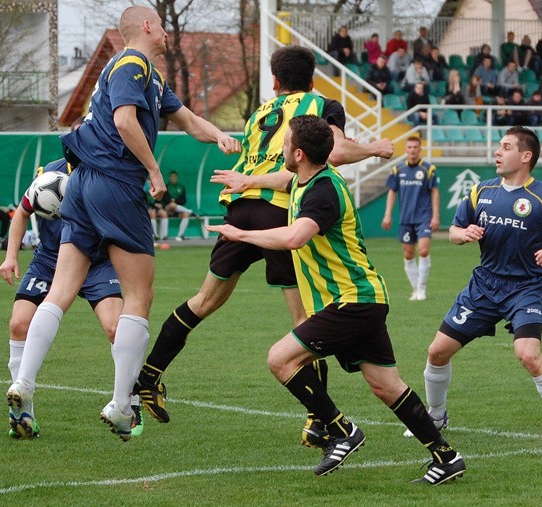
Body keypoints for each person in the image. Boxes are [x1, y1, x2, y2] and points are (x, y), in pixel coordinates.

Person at [133, 46, 394, 444]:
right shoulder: (322, 103)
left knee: (203, 301)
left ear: (274, 81)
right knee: (305, 321)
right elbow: (336, 151)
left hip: (239, 209)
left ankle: (149, 377)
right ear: (312, 79)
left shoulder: (259, 114)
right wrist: (375, 149)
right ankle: (318, 421)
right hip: (279, 211)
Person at [5, 6, 241, 442]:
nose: (167, 32)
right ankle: (120, 404)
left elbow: (187, 119)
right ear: (147, 26)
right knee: (140, 294)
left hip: (83, 184)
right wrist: (152, 170)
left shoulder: (150, 76)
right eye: (161, 23)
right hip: (115, 181)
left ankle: (24, 383)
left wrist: (222, 135)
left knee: (60, 291)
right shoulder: (132, 63)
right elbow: (123, 121)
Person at [207, 115, 466, 483]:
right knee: (386, 385)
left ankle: (341, 430)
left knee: (280, 360)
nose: (279, 148)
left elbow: (296, 237)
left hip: (352, 300)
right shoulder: (306, 177)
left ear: (298, 153)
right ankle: (447, 457)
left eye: (284, 144)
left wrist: (241, 234)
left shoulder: (323, 192)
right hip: (361, 298)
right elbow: (282, 179)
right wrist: (247, 181)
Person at [414, 126, 542, 444]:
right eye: (498, 145)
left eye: (505, 146)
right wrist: (462, 235)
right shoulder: (482, 191)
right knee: (437, 352)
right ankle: (436, 415)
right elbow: (453, 230)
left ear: (526, 156)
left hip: (524, 289)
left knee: (528, 355)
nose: (497, 151)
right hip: (483, 286)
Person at [0, 157, 128, 439]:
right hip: (49, 258)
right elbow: (22, 212)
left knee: (116, 328)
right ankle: (23, 409)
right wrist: (10, 257)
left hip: (96, 261)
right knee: (18, 324)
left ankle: (127, 403)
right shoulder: (49, 174)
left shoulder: (112, 172)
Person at [381, 136, 440, 301]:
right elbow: (392, 192)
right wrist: (387, 214)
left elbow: (435, 191)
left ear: (420, 149)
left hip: (424, 217)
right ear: (406, 149)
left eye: (415, 147)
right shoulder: (398, 170)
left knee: (423, 250)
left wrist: (435, 216)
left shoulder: (428, 169)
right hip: (406, 218)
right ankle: (415, 289)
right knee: (408, 254)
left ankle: (422, 288)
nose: (412, 150)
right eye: (409, 147)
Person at [157, 170, 195, 241]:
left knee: (186, 214)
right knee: (171, 205)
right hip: (167, 209)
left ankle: (180, 236)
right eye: (172, 177)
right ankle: (165, 236)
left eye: (175, 177)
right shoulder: (166, 187)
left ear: (177, 177)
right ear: (169, 178)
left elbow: (183, 200)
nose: (173, 178)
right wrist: (171, 201)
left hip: (177, 209)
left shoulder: (181, 187)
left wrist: (176, 200)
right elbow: (165, 200)